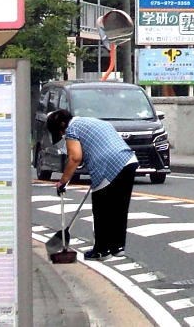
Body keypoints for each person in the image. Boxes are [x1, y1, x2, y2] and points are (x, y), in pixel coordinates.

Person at [47, 109, 138, 260]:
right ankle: (117, 247)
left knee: (101, 208)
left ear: (62, 125)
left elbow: (75, 157)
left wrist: (62, 182)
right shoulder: (92, 122)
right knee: (119, 207)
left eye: (60, 132)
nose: (63, 136)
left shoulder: (72, 129)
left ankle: (101, 250)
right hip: (128, 161)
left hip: (106, 164)